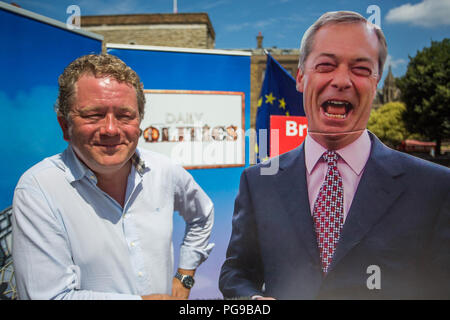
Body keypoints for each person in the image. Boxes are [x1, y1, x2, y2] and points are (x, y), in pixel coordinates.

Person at [219, 11, 450, 299]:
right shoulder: (258, 181)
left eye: (361, 69)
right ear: (301, 78)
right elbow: (236, 273)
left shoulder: (435, 187)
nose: (341, 80)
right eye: (326, 65)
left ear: (377, 83)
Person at [12, 53, 214, 300]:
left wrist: (184, 276)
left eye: (124, 115)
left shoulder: (164, 170)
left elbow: (203, 215)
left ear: (139, 122)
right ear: (65, 126)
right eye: (93, 114)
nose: (110, 129)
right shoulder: (39, 189)